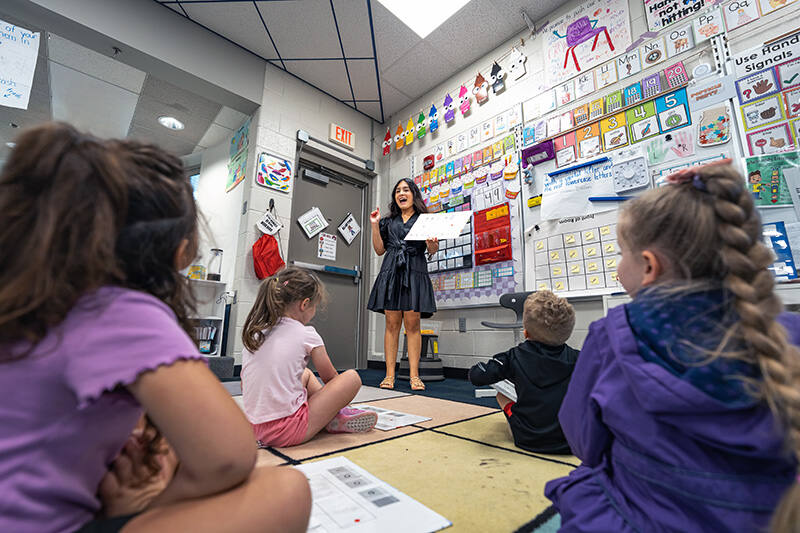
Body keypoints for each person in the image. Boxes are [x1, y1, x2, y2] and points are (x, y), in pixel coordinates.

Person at [0, 123, 311, 533]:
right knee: (288, 487)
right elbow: (230, 456)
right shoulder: (120, 310)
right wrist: (151, 503)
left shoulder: (33, 299)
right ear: (180, 249)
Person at [545, 161, 800, 532]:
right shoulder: (788, 333)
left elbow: (583, 441)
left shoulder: (613, 335)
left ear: (649, 266)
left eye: (621, 253)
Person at [241, 267, 377, 447]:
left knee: (306, 374)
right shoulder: (307, 334)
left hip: (254, 428)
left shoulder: (256, 333)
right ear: (304, 304)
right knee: (351, 378)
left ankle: (331, 417)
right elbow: (331, 378)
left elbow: (245, 382)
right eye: (315, 307)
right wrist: (334, 404)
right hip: (287, 431)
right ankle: (334, 417)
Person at [468, 291, 579, 454]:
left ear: (526, 332)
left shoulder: (513, 357)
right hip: (573, 441)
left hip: (528, 438)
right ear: (567, 333)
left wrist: (476, 369)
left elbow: (478, 377)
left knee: (501, 394)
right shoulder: (580, 358)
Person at [367, 178, 438, 391]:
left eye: (406, 190)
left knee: (413, 324)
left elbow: (432, 250)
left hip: (415, 270)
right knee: (391, 324)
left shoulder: (425, 219)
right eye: (398, 190)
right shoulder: (388, 221)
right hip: (391, 270)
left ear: (413, 194)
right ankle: (389, 375)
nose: (401, 193)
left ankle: (414, 376)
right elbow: (380, 250)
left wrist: (431, 243)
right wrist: (374, 225)